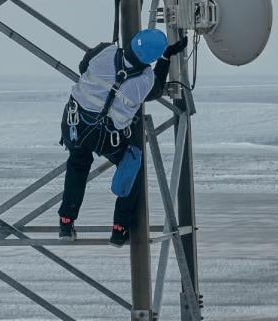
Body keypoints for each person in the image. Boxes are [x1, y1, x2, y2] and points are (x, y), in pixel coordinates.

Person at [57, 27, 187, 246]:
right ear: (152, 58)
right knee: (133, 168)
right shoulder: (145, 80)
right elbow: (156, 90)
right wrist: (167, 57)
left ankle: (66, 221)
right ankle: (119, 228)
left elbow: (83, 66)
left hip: (75, 124)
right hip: (107, 137)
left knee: (78, 165)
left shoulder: (105, 51)